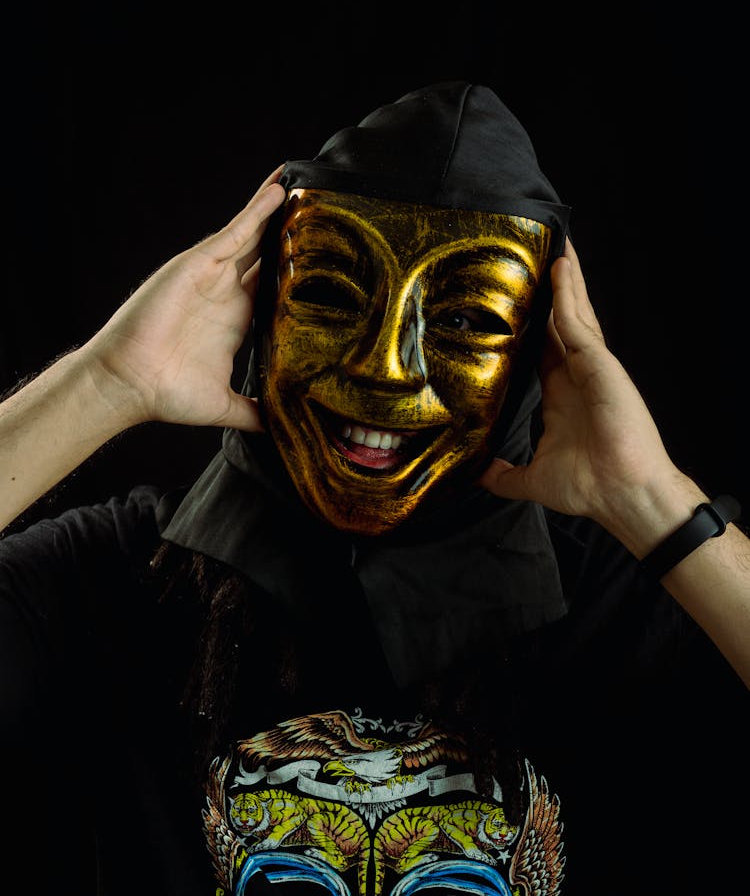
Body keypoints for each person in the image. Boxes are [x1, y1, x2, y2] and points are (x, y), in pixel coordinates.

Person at [1, 81, 748, 896]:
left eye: (464, 319)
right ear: (265, 309)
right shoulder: (117, 581)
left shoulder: (635, 601)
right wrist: (105, 382)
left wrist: (653, 499)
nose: (382, 366)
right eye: (328, 293)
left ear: (538, 356)